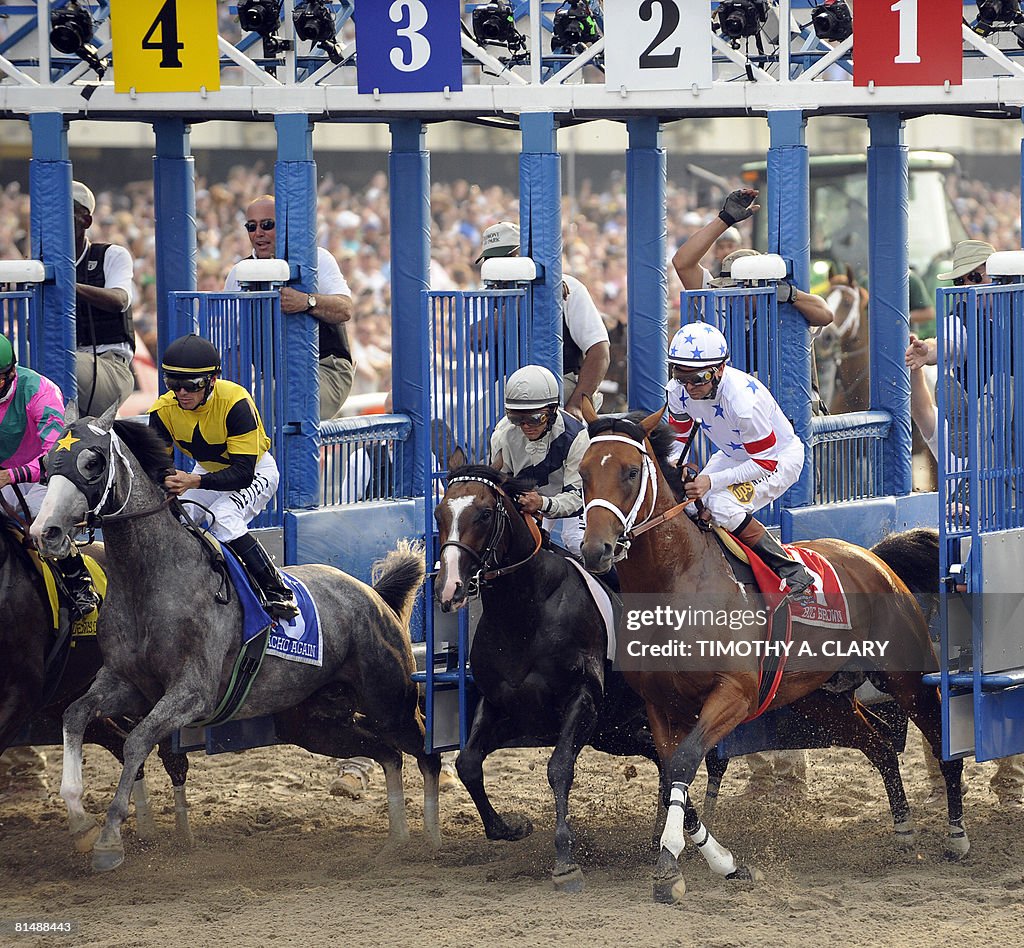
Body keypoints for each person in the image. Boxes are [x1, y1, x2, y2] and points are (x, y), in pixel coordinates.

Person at [905, 335, 1024, 807]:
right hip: (959, 568)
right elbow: (925, 415)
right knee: (941, 667)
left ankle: (1010, 781)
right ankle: (941, 779)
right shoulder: (961, 453)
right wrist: (916, 367)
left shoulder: (1010, 465)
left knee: (1007, 663)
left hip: (999, 570)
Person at [149, 334, 298, 620]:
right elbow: (158, 466)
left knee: (222, 517)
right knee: (176, 516)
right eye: (173, 384)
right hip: (206, 470)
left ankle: (277, 590)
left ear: (212, 381)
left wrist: (193, 482)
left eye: (191, 385)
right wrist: (166, 479)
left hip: (255, 470)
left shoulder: (236, 402)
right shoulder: (162, 410)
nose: (181, 393)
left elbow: (242, 474)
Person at [666, 321, 814, 597]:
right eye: (679, 375)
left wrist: (711, 481)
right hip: (735, 455)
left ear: (719, 370)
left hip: (777, 459)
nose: (688, 387)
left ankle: (791, 570)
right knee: (687, 506)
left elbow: (764, 463)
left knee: (721, 506)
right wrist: (675, 467)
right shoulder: (676, 391)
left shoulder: (743, 403)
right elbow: (678, 438)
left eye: (698, 379)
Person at [224, 195, 355, 420]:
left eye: (267, 225)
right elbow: (232, 346)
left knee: (275, 400)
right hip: (271, 379)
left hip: (326, 369)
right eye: (251, 226)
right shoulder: (240, 272)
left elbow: (345, 309)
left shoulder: (317, 258)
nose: (258, 233)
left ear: (284, 226)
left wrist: (306, 302)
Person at [0, 333, 99, 620]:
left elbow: (54, 457)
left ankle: (78, 584)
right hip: (5, 475)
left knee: (42, 529)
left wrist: (13, 475)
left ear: (11, 373)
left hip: (48, 476)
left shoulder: (40, 392)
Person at [477, 221, 610, 420]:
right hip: (509, 387)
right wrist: (522, 299)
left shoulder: (571, 287)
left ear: (524, 256)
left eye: (506, 258)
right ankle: (455, 449)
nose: (499, 267)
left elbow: (599, 351)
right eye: (491, 261)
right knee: (472, 420)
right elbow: (475, 341)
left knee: (482, 418)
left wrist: (577, 402)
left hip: (561, 381)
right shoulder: (487, 295)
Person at [671, 189, 834, 330]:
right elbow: (682, 263)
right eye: (734, 288)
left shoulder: (778, 304)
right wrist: (725, 219)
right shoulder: (716, 302)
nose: (742, 296)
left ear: (764, 287)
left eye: (749, 288)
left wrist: (791, 294)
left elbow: (825, 316)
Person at [489, 364, 589, 555]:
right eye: (517, 418)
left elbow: (577, 497)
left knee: (575, 541)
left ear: (552, 412)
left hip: (571, 498)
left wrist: (543, 503)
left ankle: (617, 585)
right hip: (530, 501)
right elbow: (501, 485)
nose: (526, 426)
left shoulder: (576, 436)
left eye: (536, 418)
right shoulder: (502, 434)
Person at [72, 181, 137, 417]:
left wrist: (70, 286)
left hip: (110, 366)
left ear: (85, 222)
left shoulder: (111, 255)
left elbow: (119, 300)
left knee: (60, 363)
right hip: (68, 366)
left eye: (61, 215)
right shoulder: (39, 267)